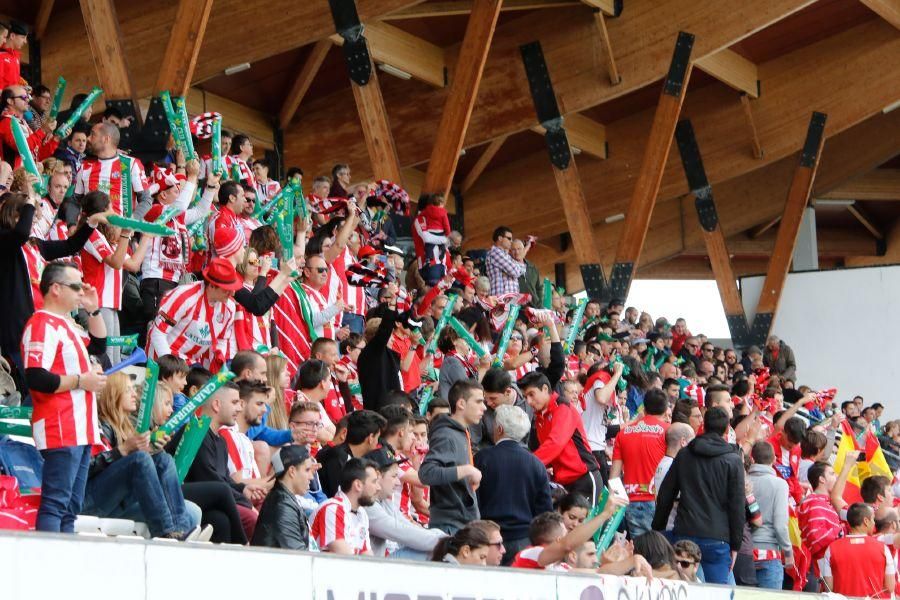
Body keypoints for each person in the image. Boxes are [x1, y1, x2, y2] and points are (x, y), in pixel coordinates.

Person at [21, 262, 107, 532]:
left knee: (71, 508)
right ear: (55, 289)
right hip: (60, 425)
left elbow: (100, 346)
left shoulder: (66, 324)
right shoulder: (42, 324)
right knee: (56, 504)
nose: (82, 290)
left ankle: (62, 567)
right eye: (77, 286)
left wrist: (92, 309)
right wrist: (82, 380)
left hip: (80, 428)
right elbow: (36, 377)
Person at [85, 372, 200, 539]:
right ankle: (165, 534)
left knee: (163, 459)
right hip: (92, 502)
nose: (135, 394)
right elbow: (88, 468)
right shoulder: (101, 425)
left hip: (119, 500)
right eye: (128, 390)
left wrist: (152, 449)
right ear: (114, 394)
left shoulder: (126, 426)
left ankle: (180, 531)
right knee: (141, 459)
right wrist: (123, 450)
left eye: (134, 389)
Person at [653, 407, 746, 585]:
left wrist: (657, 529)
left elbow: (666, 494)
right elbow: (737, 506)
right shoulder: (733, 460)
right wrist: (735, 545)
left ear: (703, 425)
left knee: (680, 589)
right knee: (717, 593)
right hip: (718, 539)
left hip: (685, 532)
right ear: (727, 429)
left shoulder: (684, 454)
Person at [165, 382, 264, 541]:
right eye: (234, 403)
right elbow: (210, 481)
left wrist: (243, 488)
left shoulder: (220, 441)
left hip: (207, 501)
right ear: (216, 405)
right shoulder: (195, 431)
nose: (239, 409)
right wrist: (244, 500)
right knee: (249, 516)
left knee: (220, 521)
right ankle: (244, 545)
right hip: (174, 494)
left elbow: (223, 478)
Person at [474, 405, 553, 564]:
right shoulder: (536, 464)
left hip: (488, 539)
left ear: (500, 429)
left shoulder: (482, 458)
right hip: (523, 540)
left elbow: (473, 499)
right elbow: (545, 511)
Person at [147, 258, 242, 371]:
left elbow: (222, 339)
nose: (233, 293)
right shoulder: (184, 296)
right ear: (211, 285)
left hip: (191, 362)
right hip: (164, 357)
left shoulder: (229, 308)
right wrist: (172, 368)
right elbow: (157, 333)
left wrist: (219, 360)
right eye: (227, 289)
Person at [519, 371, 601, 502]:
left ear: (545, 389)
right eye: (525, 397)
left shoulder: (562, 407)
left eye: (531, 394)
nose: (529, 401)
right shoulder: (540, 417)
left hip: (584, 477)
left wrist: (526, 465)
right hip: (563, 481)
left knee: (583, 522)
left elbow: (555, 443)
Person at [419, 380, 485, 534]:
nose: (484, 407)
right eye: (478, 401)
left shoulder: (459, 432)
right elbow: (426, 473)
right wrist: (467, 470)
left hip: (461, 524)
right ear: (461, 403)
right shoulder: (446, 435)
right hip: (450, 527)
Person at [365, 445, 445, 559]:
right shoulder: (368, 506)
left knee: (437, 538)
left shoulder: (384, 501)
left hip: (380, 563)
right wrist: (451, 543)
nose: (398, 482)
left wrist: (444, 537)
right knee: (433, 550)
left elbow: (409, 527)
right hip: (370, 569)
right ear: (377, 477)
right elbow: (403, 533)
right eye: (394, 476)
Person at [610, 388, 669, 537]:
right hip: (659, 501)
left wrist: (614, 507)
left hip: (632, 500)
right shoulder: (668, 432)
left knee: (641, 551)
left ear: (644, 407)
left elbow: (614, 476)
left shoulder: (623, 433)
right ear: (665, 409)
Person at [821, 503, 895, 598]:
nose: (874, 523)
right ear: (866, 521)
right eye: (872, 519)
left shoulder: (831, 549)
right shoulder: (883, 548)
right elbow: (890, 587)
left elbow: (829, 588)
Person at [74, 122, 148, 217]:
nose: (88, 138)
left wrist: (131, 223)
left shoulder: (131, 164)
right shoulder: (85, 166)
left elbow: (146, 200)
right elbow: (75, 199)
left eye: (93, 134)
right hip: (90, 229)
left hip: (120, 229)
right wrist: (72, 223)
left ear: (106, 139)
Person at [251, 445, 317, 550]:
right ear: (292, 471)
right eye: (307, 470)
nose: (311, 477)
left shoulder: (284, 500)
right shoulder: (282, 505)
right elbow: (298, 556)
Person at [310, 457, 379, 555]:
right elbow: (344, 558)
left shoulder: (361, 513)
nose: (378, 487)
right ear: (358, 485)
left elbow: (367, 555)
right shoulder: (332, 509)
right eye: (374, 482)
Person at [748, 441, 793, 589]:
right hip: (769, 552)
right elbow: (780, 526)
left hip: (744, 551)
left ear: (752, 458)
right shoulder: (780, 484)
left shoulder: (743, 481)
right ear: (774, 459)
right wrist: (788, 551)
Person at [316, 409, 385, 497]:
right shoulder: (337, 456)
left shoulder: (345, 455)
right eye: (377, 437)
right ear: (370, 438)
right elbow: (338, 497)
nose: (378, 443)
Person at [1, 85, 58, 168]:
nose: (28, 99)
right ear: (10, 101)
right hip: (13, 178)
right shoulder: (6, 122)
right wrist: (43, 130)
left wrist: (56, 139)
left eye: (28, 96)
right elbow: (23, 148)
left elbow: (38, 155)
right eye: (24, 97)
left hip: (28, 177)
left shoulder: (23, 122)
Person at [652, 422, 695, 532]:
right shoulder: (673, 466)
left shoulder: (662, 463)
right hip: (672, 527)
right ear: (683, 442)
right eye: (692, 441)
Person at [485, 226, 526, 296]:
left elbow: (523, 269)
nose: (511, 241)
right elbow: (515, 272)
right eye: (509, 238)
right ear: (500, 238)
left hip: (510, 300)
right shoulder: (495, 252)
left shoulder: (506, 256)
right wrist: (513, 270)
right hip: (500, 299)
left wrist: (508, 271)